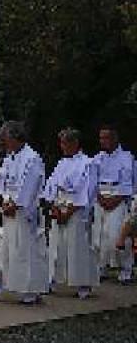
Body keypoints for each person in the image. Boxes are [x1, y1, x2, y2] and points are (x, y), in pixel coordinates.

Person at [0, 121, 49, 304]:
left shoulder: (32, 158)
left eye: (6, 139)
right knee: (4, 247)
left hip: (23, 211)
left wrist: (16, 204)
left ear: (15, 138)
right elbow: (2, 180)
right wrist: (2, 199)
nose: (4, 143)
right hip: (8, 207)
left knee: (25, 250)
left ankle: (30, 290)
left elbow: (30, 186)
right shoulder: (10, 157)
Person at [43, 127, 98, 299]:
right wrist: (53, 206)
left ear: (75, 143)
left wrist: (69, 211)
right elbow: (51, 186)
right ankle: (51, 279)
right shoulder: (61, 163)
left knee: (77, 246)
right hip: (59, 204)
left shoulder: (88, 163)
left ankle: (83, 283)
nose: (62, 147)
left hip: (76, 209)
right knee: (56, 245)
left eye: (65, 143)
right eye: (61, 143)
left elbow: (86, 191)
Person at [90, 126, 134, 283]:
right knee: (99, 234)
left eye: (106, 138)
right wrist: (99, 198)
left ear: (115, 139)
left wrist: (116, 199)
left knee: (117, 234)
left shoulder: (126, 158)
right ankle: (101, 266)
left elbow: (128, 182)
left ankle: (126, 268)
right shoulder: (97, 158)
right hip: (101, 197)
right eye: (101, 138)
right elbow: (92, 181)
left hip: (118, 197)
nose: (103, 141)